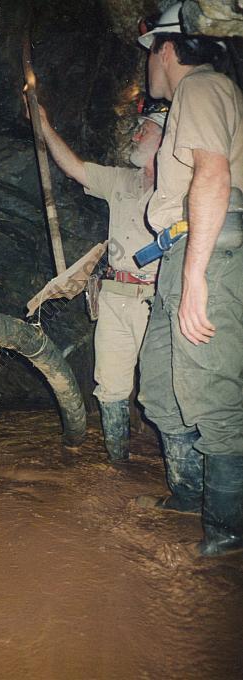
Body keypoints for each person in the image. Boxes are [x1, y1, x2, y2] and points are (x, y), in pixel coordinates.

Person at [136, 2, 243, 556]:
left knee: (210, 385)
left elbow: (214, 173)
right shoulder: (196, 95)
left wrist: (197, 275)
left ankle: (228, 528)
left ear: (168, 48)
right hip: (184, 245)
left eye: (149, 53)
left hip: (212, 246)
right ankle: (189, 491)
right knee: (159, 382)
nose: (146, 67)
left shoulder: (202, 87)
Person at [26, 100, 167, 462]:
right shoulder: (122, 179)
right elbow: (74, 168)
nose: (136, 135)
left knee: (163, 389)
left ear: (167, 138)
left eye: (145, 130)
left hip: (159, 298)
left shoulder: (180, 187)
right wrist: (43, 123)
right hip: (115, 295)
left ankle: (181, 485)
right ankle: (117, 467)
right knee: (110, 386)